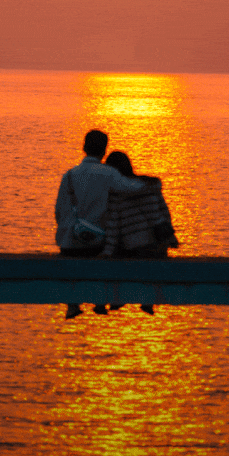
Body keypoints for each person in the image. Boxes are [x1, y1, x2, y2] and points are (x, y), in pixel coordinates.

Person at [55, 129, 145, 319]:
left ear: (84, 147)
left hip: (70, 246)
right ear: (104, 150)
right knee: (115, 246)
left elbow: (59, 212)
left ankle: (72, 304)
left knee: (73, 257)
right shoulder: (109, 174)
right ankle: (103, 300)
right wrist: (152, 182)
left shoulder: (68, 176)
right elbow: (133, 189)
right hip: (98, 245)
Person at [101, 150, 179, 315]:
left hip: (133, 249)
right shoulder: (150, 185)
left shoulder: (116, 193)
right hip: (158, 247)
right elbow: (165, 213)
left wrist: (107, 252)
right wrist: (170, 237)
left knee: (119, 251)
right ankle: (147, 301)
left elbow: (113, 226)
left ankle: (119, 298)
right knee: (150, 257)